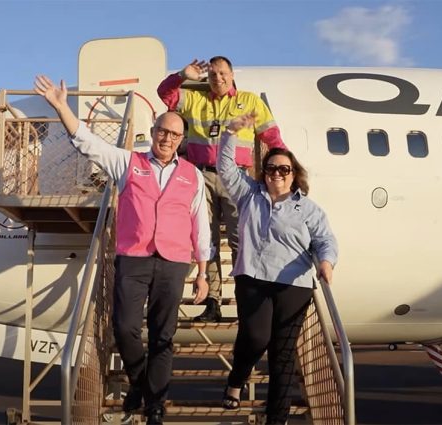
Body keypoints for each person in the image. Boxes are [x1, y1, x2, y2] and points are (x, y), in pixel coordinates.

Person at [34, 75, 211, 425]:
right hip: (134, 259)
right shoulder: (128, 163)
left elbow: (200, 224)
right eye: (163, 131)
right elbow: (86, 142)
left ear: (181, 140)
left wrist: (203, 274)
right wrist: (60, 107)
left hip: (174, 263)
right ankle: (141, 384)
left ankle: (155, 404)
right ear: (155, 131)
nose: (167, 138)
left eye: (175, 134)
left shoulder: (193, 175)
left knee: (163, 336)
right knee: (125, 328)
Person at [217, 114, 338, 425]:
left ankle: (276, 420)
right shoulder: (249, 195)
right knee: (255, 338)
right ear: (264, 172)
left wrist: (326, 262)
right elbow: (226, 168)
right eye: (271, 169)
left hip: (293, 285)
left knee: (282, 356)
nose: (277, 174)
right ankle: (236, 380)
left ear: (293, 174)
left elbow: (325, 239)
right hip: (253, 279)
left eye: (284, 169)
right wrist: (231, 132)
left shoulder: (308, 208)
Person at [157, 56, 287, 322]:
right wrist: (182, 74)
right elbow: (165, 93)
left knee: (242, 240)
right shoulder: (196, 100)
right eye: (213, 74)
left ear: (232, 74)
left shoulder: (249, 101)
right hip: (201, 176)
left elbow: (271, 137)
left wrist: (283, 169)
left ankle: (247, 301)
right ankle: (212, 302)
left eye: (223, 73)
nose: (218, 78)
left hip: (235, 178)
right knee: (207, 240)